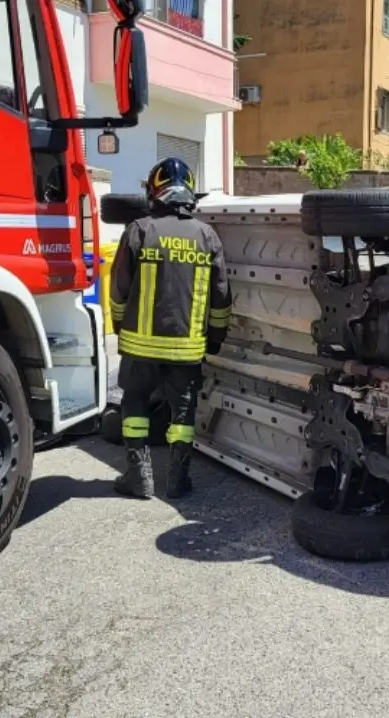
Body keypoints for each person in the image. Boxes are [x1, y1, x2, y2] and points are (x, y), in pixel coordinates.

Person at [108, 157, 232, 499]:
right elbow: (221, 296)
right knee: (183, 412)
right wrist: (217, 336)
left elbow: (118, 288)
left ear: (155, 191)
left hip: (139, 345)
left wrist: (121, 325)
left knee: (134, 404)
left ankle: (140, 478)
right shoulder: (207, 235)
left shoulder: (139, 229)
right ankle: (178, 480)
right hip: (187, 347)